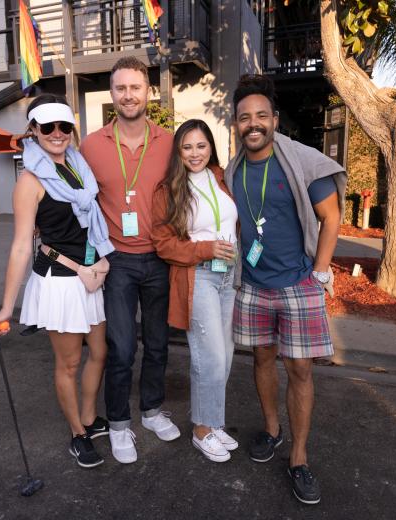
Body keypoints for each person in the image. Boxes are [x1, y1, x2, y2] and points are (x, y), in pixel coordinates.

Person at [224, 75, 346, 504]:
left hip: (298, 285)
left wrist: (321, 272)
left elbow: (331, 218)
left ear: (274, 119)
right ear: (236, 124)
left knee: (300, 370)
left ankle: (299, 456)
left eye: (261, 115)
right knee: (261, 359)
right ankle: (273, 431)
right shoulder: (234, 169)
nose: (252, 124)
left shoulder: (303, 162)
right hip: (254, 286)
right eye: (244, 118)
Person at [0, 94, 115, 469]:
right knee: (70, 363)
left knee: (100, 352)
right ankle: (77, 433)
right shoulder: (29, 180)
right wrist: (8, 307)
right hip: (60, 281)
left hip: (90, 275)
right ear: (34, 131)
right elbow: (21, 247)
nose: (57, 134)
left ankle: (89, 419)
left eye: (64, 126)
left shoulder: (77, 166)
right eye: (48, 127)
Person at [80, 56, 178, 464]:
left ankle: (152, 410)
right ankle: (119, 423)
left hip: (160, 257)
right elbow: (79, 205)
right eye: (120, 88)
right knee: (120, 348)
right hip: (115, 260)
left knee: (158, 344)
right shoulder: (91, 145)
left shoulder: (171, 142)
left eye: (135, 87)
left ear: (148, 92)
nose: (128, 95)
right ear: (113, 94)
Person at [151, 119, 239, 462]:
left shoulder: (221, 177)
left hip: (229, 275)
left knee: (227, 356)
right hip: (197, 276)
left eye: (201, 145)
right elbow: (162, 244)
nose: (194, 153)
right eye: (187, 147)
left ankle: (213, 422)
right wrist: (205, 250)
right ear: (178, 151)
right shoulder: (169, 189)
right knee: (210, 357)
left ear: (210, 147)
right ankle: (202, 431)